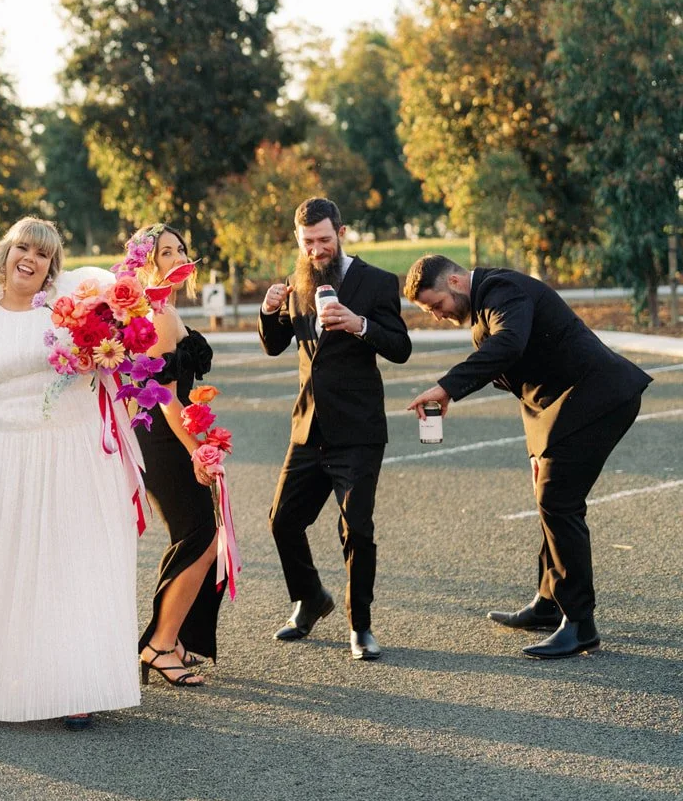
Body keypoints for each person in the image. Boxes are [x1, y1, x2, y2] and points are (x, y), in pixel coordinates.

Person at [0, 217, 140, 729]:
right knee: (4, 564)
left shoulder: (71, 309)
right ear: (6, 251)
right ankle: (1, 681)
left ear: (51, 267)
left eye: (42, 254)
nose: (30, 259)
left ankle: (76, 686)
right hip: (6, 453)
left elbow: (117, 362)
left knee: (71, 565)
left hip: (74, 452)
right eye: (23, 248)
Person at [403, 256, 651, 659]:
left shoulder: (503, 291)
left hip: (600, 395)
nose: (436, 316)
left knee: (559, 501)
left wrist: (446, 388)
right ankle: (548, 602)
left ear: (454, 280)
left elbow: (509, 345)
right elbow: (524, 384)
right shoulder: (483, 310)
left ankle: (580, 625)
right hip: (566, 405)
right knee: (548, 495)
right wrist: (537, 449)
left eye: (436, 305)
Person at [259, 197, 411, 660]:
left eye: (324, 240)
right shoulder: (297, 281)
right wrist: (268, 311)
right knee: (283, 519)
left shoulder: (377, 282)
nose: (316, 250)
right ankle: (310, 600)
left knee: (356, 529)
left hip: (358, 431)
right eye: (307, 242)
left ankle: (360, 626)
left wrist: (361, 324)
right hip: (308, 427)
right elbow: (275, 345)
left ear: (341, 232)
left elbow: (401, 347)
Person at [133, 225, 220, 687]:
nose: (178, 257)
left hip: (167, 435)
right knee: (200, 540)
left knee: (197, 538)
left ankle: (175, 639)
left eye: (181, 248)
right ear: (147, 263)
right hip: (165, 441)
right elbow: (165, 399)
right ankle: (159, 646)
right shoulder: (159, 316)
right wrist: (196, 451)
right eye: (165, 252)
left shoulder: (163, 310)